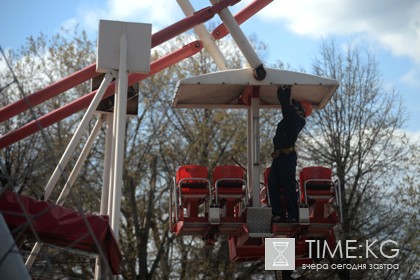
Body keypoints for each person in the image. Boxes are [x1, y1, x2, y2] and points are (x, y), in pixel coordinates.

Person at [268, 85, 312, 223]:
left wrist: (284, 93)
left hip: (286, 157)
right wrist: (285, 94)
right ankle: (278, 213)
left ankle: (293, 214)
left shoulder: (296, 120)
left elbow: (286, 108)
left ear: (301, 110)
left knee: (288, 185)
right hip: (280, 156)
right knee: (272, 183)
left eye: (297, 106)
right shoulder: (291, 119)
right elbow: (287, 109)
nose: (294, 107)